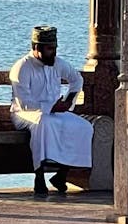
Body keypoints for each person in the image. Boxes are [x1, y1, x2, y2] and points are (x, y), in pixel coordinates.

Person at [9, 25, 92, 197]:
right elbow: (23, 103)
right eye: (49, 49)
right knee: (42, 123)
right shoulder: (22, 67)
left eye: (54, 48)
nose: (53, 53)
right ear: (36, 48)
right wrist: (50, 107)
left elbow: (77, 80)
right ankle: (38, 176)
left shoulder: (58, 63)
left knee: (84, 127)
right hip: (25, 114)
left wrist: (68, 102)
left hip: (54, 112)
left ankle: (61, 174)